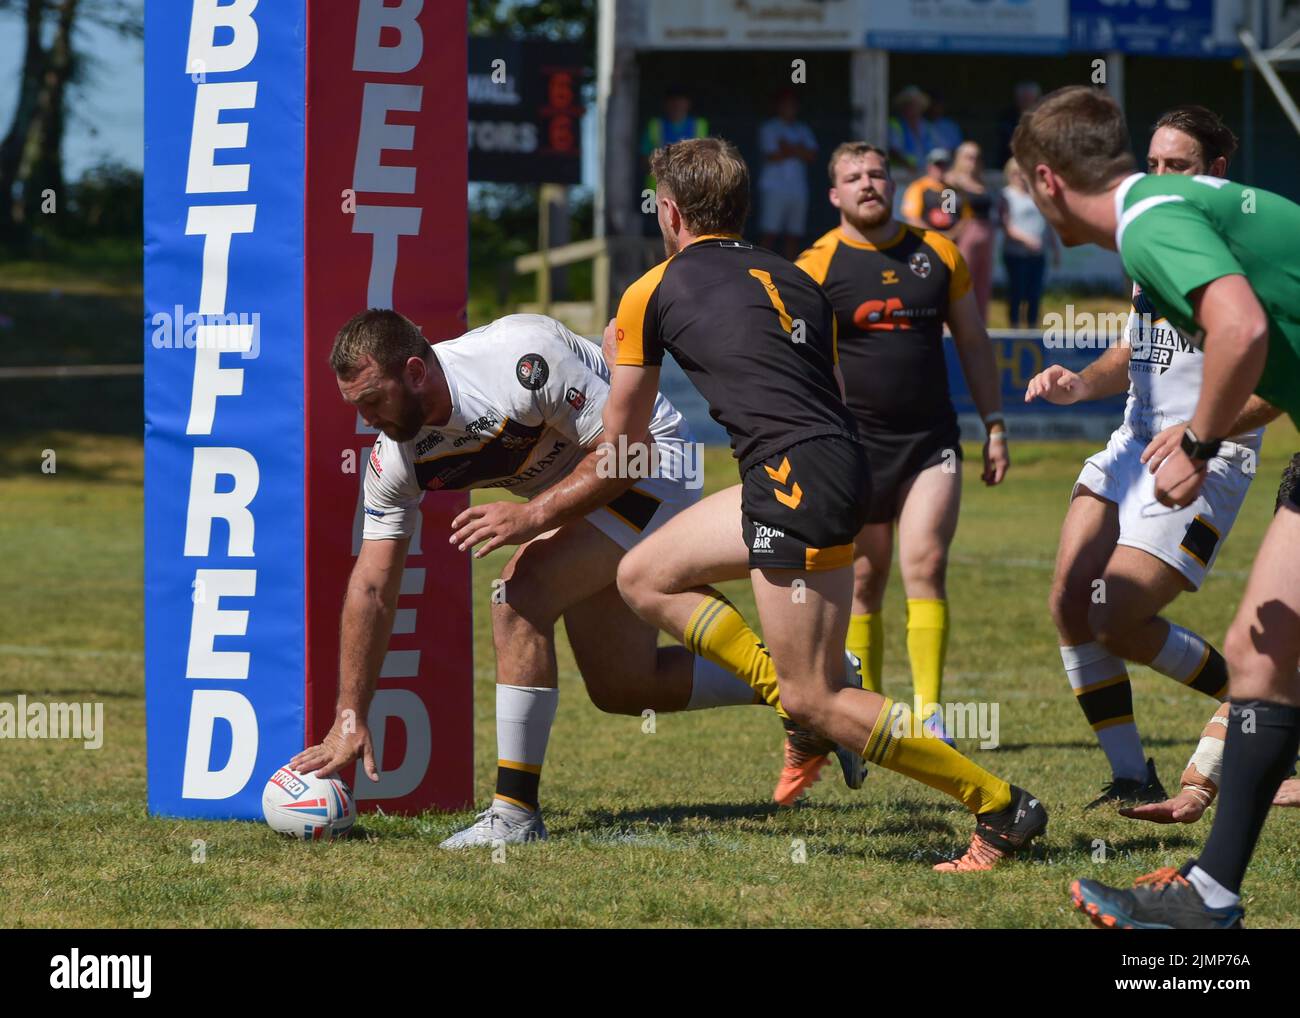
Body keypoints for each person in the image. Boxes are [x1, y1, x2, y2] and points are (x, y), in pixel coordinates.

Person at [523, 135, 1047, 872]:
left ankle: (1000, 805)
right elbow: (821, 390)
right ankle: (800, 707)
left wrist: (542, 499)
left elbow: (624, 446)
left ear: (669, 213)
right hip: (836, 464)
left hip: (793, 480)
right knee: (643, 575)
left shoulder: (651, 289)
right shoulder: (796, 276)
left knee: (817, 697)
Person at [289, 310, 861, 849]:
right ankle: (824, 688)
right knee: (624, 688)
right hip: (584, 501)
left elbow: (626, 450)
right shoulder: (396, 458)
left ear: (414, 372)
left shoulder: (519, 357)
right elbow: (371, 587)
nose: (367, 421)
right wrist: (349, 714)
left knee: (519, 594)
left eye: (372, 401)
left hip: (652, 465)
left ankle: (514, 815)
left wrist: (534, 515)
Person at [1010, 84, 1300, 927]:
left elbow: (1240, 330)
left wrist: (1202, 442)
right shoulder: (1170, 210)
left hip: (1216, 454)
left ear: (1047, 181)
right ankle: (1209, 897)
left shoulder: (1149, 220)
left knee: (1262, 659)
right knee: (1260, 662)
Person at [797, 142, 1009, 743]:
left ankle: (931, 715)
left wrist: (994, 422)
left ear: (894, 185)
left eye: (878, 174)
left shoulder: (937, 253)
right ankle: (865, 713)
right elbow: (801, 361)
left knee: (927, 563)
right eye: (853, 177)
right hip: (854, 448)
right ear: (834, 194)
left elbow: (972, 341)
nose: (868, 183)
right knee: (865, 577)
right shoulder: (815, 265)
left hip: (929, 441)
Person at [757, 89, 818, 261]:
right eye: (785, 104)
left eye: (792, 104)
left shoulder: (803, 129)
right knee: (770, 232)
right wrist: (799, 149)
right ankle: (761, 267)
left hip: (798, 189)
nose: (789, 108)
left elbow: (812, 155)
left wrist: (787, 147)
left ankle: (791, 270)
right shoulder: (769, 127)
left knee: (794, 234)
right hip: (773, 187)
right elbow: (773, 155)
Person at [1000, 158, 1056, 328]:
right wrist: (1027, 240)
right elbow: (1006, 225)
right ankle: (1014, 328)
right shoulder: (1006, 195)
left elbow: (1047, 223)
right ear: (1009, 175)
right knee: (1017, 293)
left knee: (1035, 294)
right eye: (1016, 173)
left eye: (1023, 173)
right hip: (1016, 253)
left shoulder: (1036, 194)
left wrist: (1054, 247)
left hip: (1038, 253)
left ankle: (1032, 329)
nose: (1020, 177)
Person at [945, 141, 996, 319]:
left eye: (976, 157)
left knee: (983, 283)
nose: (973, 161)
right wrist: (953, 233)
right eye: (968, 157)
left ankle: (980, 322)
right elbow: (947, 213)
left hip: (986, 233)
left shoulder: (982, 182)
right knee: (963, 282)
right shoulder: (950, 182)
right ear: (959, 159)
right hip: (965, 233)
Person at [900, 148, 968, 238]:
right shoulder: (918, 187)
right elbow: (913, 219)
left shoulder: (954, 190)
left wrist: (951, 235)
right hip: (926, 240)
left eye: (944, 165)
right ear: (929, 167)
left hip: (952, 240)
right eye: (937, 165)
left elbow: (966, 218)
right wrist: (937, 237)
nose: (941, 169)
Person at [888, 86, 935, 175]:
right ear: (902, 107)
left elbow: (936, 148)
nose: (912, 108)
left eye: (916, 104)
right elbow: (893, 150)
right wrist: (907, 164)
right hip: (901, 173)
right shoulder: (894, 124)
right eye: (909, 104)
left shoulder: (927, 126)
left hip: (926, 172)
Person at [926, 90, 963, 155]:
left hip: (948, 160)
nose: (936, 108)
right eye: (934, 104)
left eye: (939, 104)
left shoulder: (951, 125)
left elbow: (958, 148)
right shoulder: (921, 124)